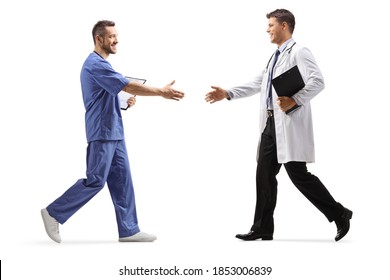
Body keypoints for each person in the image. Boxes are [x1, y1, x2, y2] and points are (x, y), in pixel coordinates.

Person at [205, 9, 352, 241]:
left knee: (298, 176)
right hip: (270, 125)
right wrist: (229, 93)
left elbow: (318, 81)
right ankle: (262, 228)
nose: (267, 29)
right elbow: (258, 83)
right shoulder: (274, 56)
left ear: (284, 26)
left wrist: (295, 99)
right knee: (263, 174)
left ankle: (339, 213)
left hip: (289, 124)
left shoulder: (300, 52)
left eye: (271, 25)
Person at [41, 20, 184, 243]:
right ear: (99, 39)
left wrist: (123, 101)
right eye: (111, 36)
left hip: (114, 131)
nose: (116, 40)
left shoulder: (102, 65)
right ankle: (53, 213)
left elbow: (111, 93)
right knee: (96, 180)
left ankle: (129, 229)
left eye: (117, 36)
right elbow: (125, 85)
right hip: (102, 131)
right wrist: (161, 92)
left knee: (122, 180)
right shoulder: (95, 64)